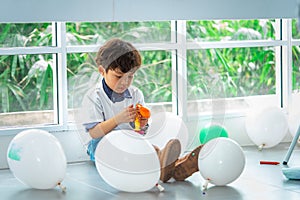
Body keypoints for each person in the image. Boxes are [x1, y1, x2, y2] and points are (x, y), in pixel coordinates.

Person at [82, 38, 202, 183]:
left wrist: (142, 124)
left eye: (130, 77)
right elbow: (94, 133)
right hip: (101, 146)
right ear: (102, 71)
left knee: (143, 147)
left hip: (129, 140)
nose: (124, 82)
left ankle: (177, 167)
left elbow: (141, 132)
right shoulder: (94, 96)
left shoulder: (135, 94)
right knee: (130, 154)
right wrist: (118, 119)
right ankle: (169, 165)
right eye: (118, 77)